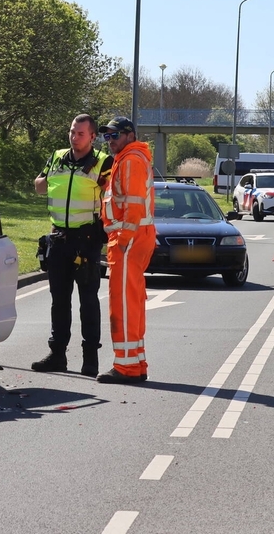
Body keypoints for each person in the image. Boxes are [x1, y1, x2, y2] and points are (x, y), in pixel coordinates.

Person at [31, 114, 112, 377]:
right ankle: (57, 355)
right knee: (59, 301)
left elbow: (113, 194)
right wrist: (48, 180)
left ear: (92, 136)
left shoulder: (102, 162)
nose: (74, 137)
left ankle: (91, 359)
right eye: (72, 132)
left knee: (88, 301)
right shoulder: (57, 157)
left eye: (80, 133)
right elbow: (39, 187)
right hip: (58, 239)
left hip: (86, 241)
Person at [96, 116, 155, 384]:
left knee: (123, 305)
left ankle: (127, 368)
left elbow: (133, 204)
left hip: (127, 241)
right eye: (106, 136)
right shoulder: (128, 158)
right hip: (131, 239)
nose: (109, 141)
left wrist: (122, 239)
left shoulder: (130, 159)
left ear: (129, 135)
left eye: (114, 135)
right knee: (131, 301)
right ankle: (136, 363)